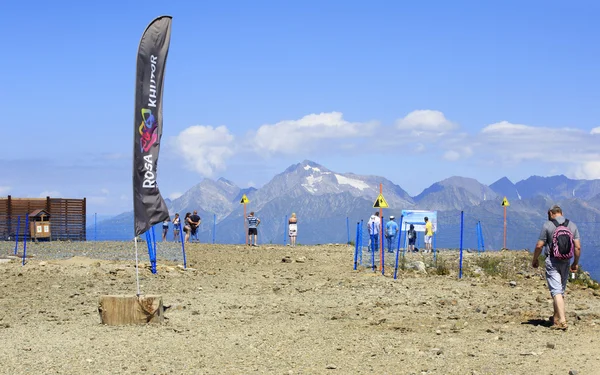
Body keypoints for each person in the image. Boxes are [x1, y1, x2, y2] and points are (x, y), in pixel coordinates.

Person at [532, 205, 581, 330]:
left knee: (556, 291)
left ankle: (562, 321)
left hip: (552, 261)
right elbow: (577, 247)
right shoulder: (572, 225)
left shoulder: (547, 225)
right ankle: (556, 318)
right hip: (566, 261)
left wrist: (535, 259)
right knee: (560, 291)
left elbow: (539, 246)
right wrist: (575, 263)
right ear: (561, 212)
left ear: (550, 213)